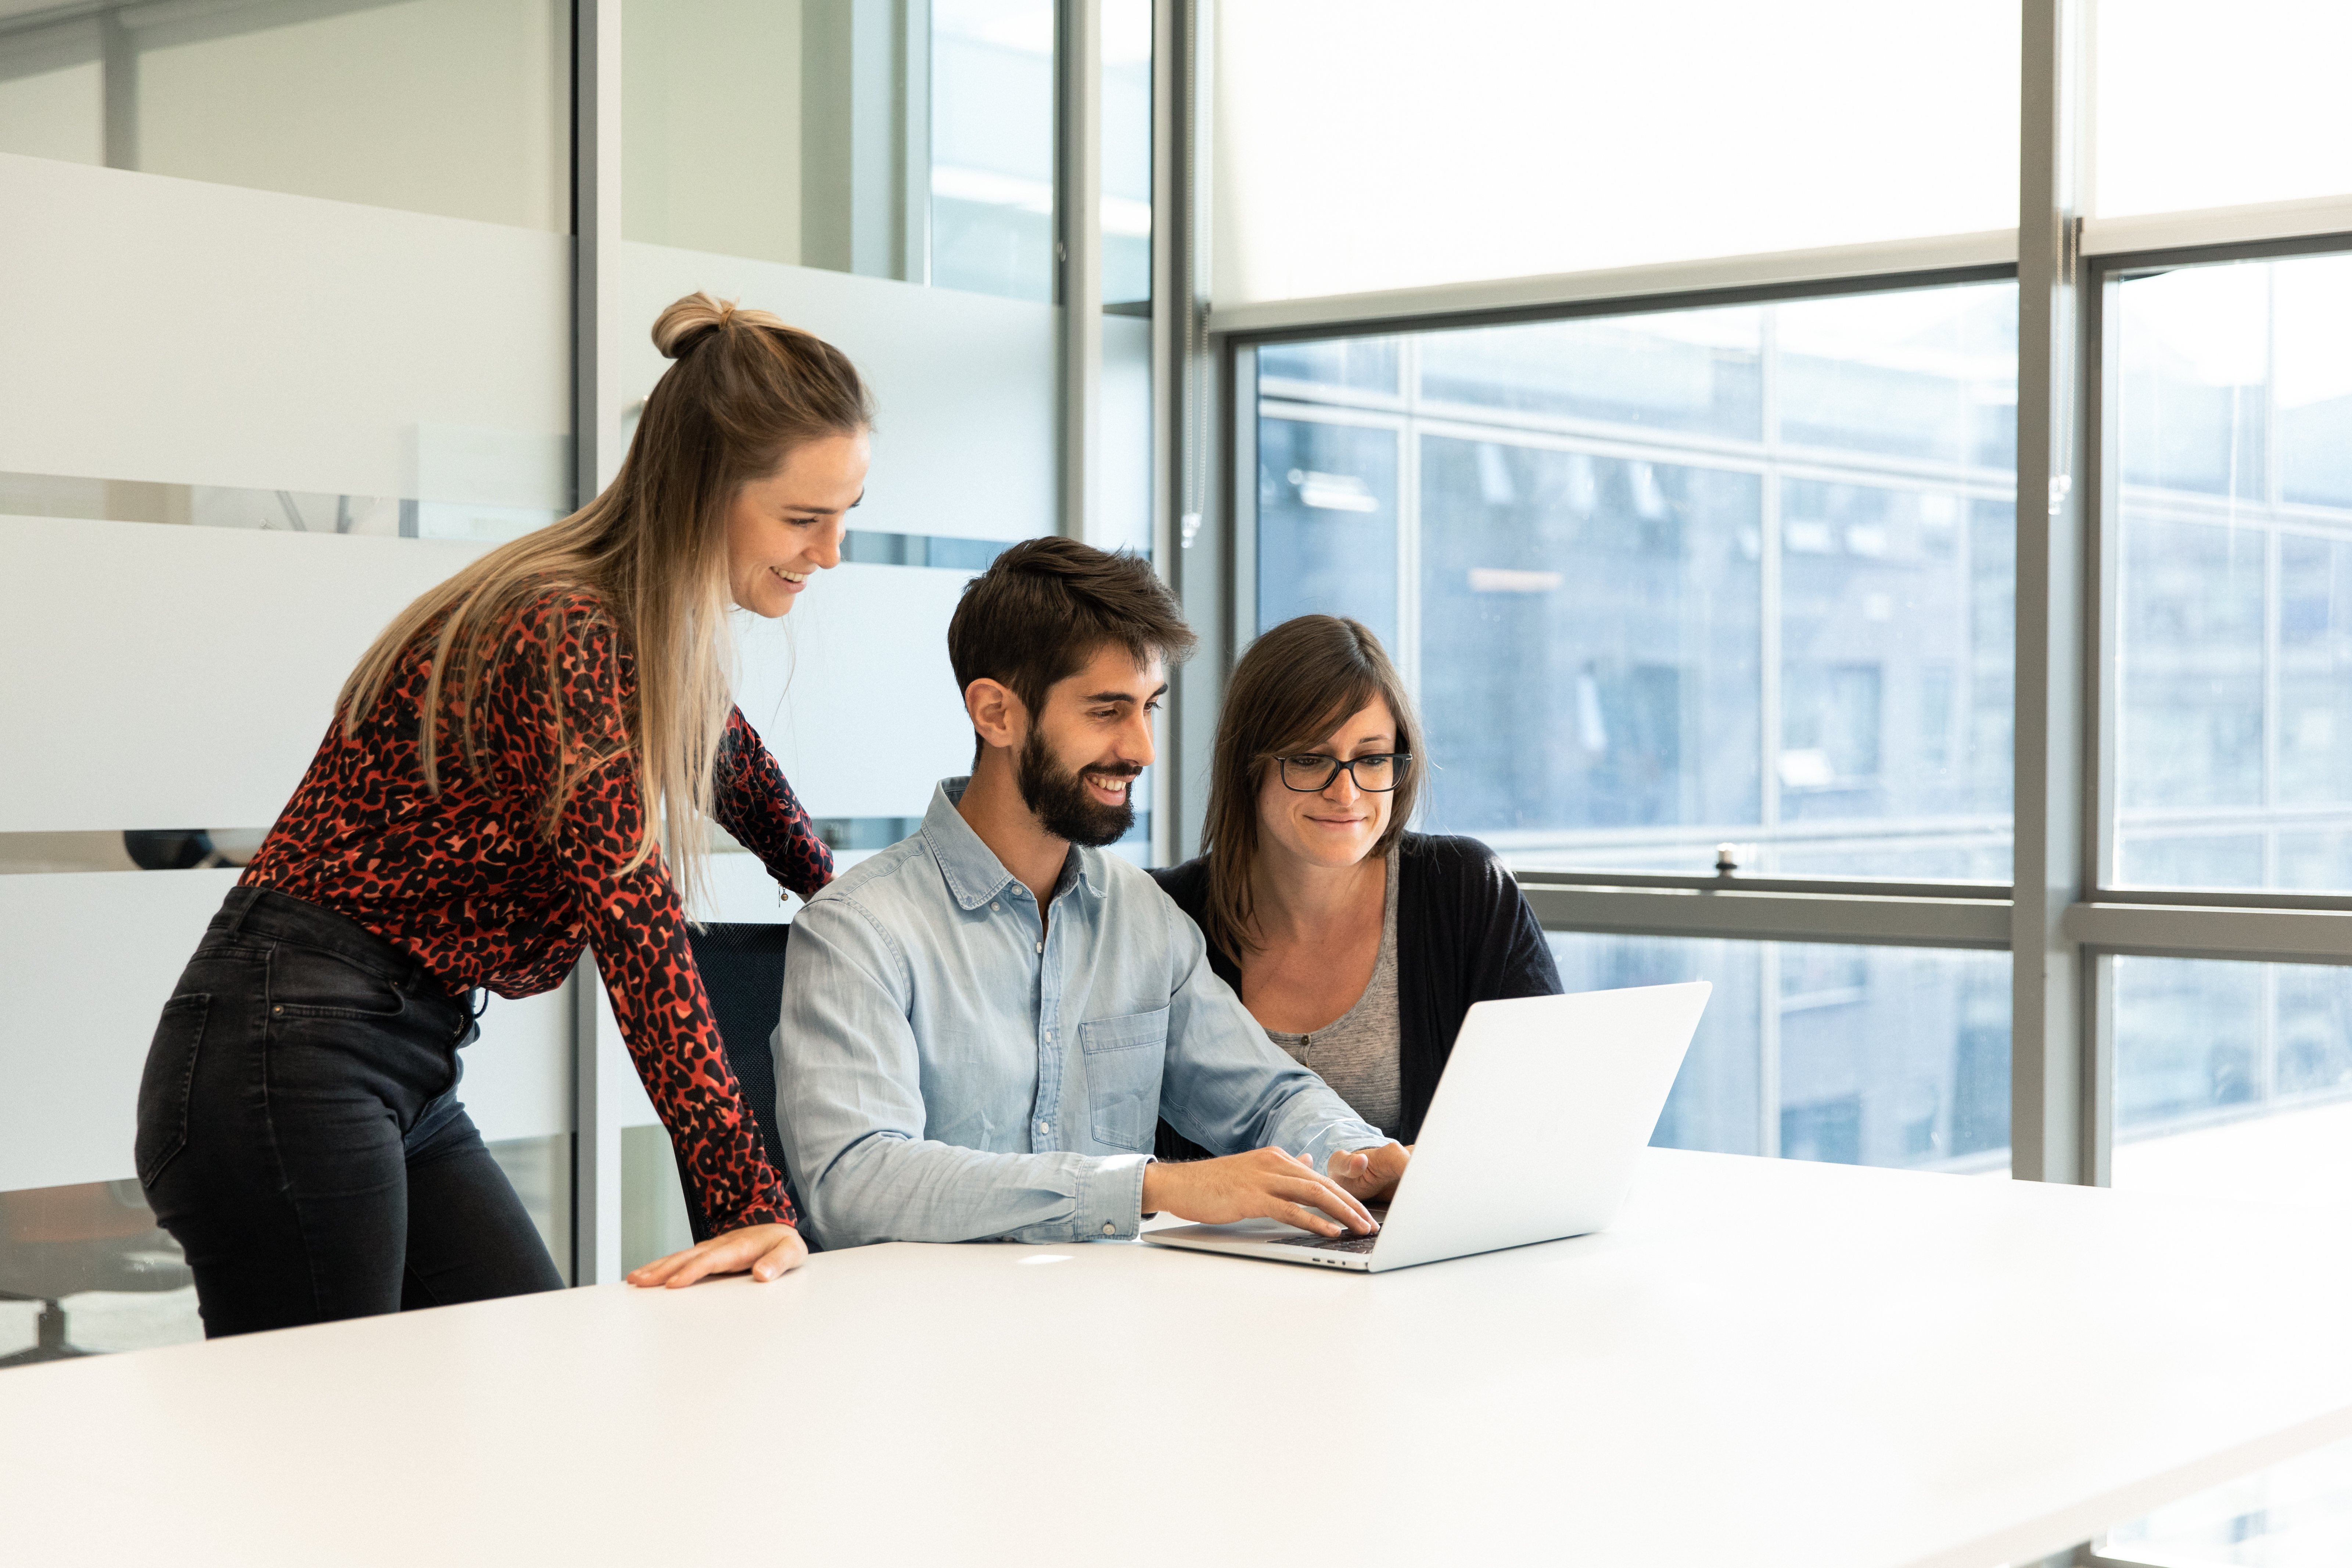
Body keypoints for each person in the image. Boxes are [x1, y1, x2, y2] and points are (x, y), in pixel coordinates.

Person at [134, 293, 861, 1333]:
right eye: (803, 518)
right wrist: (747, 1199)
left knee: (515, 1386)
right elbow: (635, 922)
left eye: (846, 512)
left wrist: (848, 903)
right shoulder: (563, 628)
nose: (829, 553)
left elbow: (736, 769)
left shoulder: (637, 629)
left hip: (391, 1062)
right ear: (702, 488)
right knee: (322, 1448)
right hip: (290, 1050)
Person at [725, 538, 1406, 1256]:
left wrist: (1366, 1157)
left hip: (1111, 1337)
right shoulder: (858, 932)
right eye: (1107, 710)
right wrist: (1144, 1188)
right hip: (927, 1348)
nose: (1142, 748)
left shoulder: (1145, 921)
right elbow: (855, 1182)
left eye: (1149, 706)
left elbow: (1270, 1099)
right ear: (997, 714)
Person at [1152, 614, 1561, 1160]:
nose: (1345, 793)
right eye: (1309, 759)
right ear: (1247, 765)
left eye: (1371, 759)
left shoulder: (1463, 891)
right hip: (1203, 1246)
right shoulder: (1165, 916)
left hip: (1425, 1238)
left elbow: (1550, 1118)